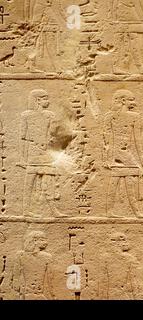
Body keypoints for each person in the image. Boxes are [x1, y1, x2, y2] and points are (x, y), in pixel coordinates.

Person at [19, 89, 63, 217]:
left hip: (46, 153)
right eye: (45, 99)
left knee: (48, 182)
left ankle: (53, 210)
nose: (47, 101)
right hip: (32, 153)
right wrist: (22, 158)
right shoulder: (26, 115)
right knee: (29, 183)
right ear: (37, 100)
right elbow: (22, 138)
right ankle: (26, 210)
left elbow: (53, 135)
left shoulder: (50, 115)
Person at [103, 90, 143, 218]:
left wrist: (141, 158)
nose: (135, 102)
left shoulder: (134, 116)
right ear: (123, 101)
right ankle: (110, 211)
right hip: (116, 154)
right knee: (115, 181)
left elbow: (137, 140)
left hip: (126, 153)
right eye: (132, 100)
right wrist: (107, 158)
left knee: (129, 181)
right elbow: (106, 140)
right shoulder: (110, 117)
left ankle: (135, 212)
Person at [110, 0, 143, 74]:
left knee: (130, 43)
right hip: (125, 18)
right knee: (121, 44)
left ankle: (138, 67)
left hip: (128, 18)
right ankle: (117, 67)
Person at [11, 231, 54, 300]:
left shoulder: (47, 257)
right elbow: (16, 280)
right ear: (35, 241)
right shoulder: (20, 256)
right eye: (42, 240)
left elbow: (50, 280)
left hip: (38, 293)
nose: (46, 243)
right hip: (25, 294)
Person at [99, 232, 139, 299]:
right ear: (117, 243)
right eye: (123, 240)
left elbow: (102, 283)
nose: (126, 243)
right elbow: (133, 283)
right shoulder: (129, 259)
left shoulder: (105, 258)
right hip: (120, 294)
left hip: (114, 294)